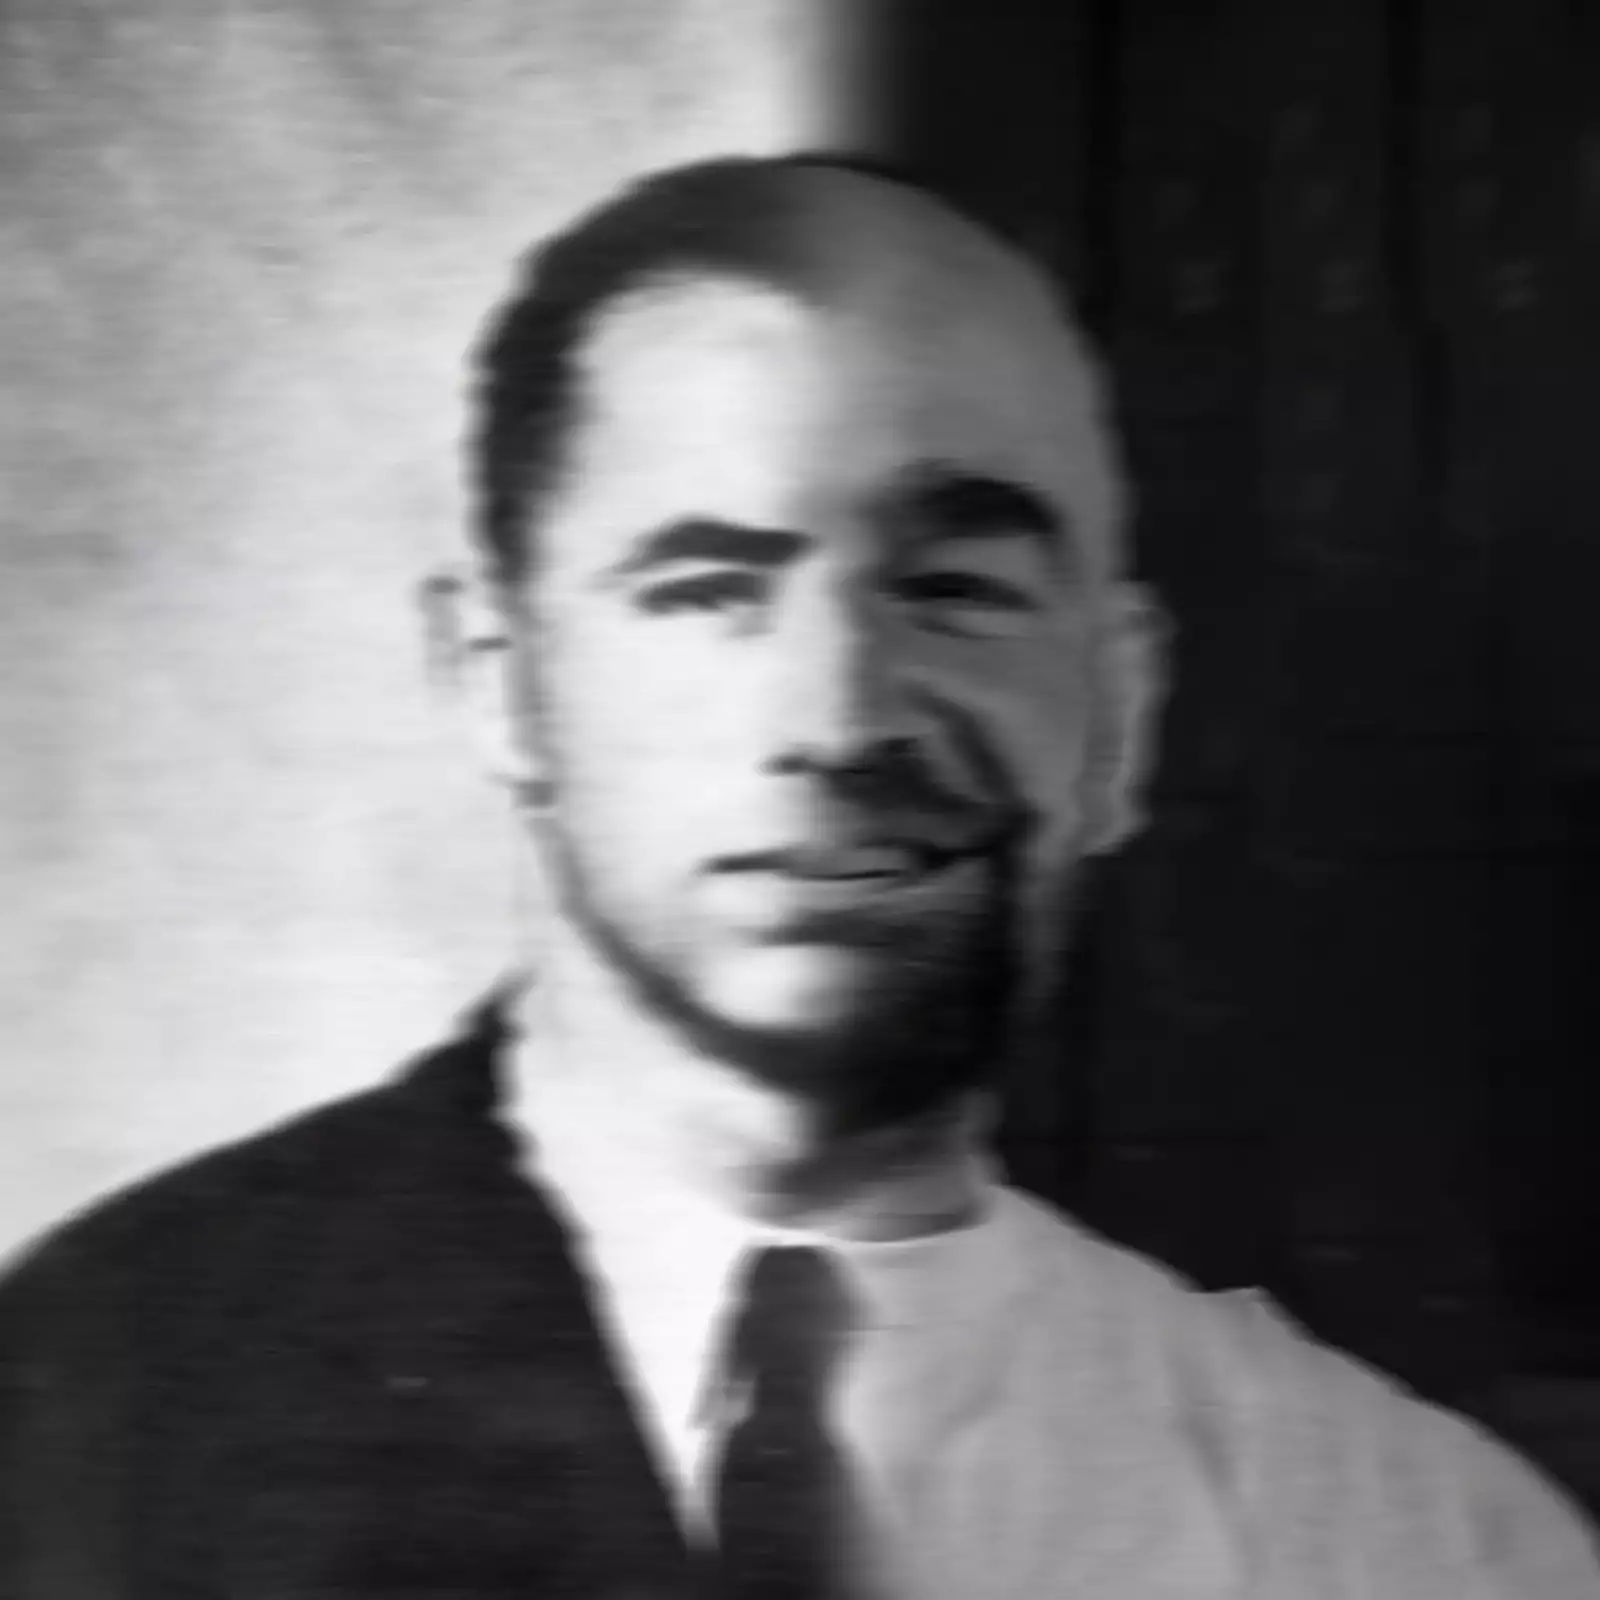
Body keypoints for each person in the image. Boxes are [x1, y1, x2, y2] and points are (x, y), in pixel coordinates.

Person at [0, 156, 1594, 1600]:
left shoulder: (1417, 1541)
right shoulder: (94, 1400)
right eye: (705, 592)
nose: (839, 719)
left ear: (1121, 717)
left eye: (960, 589)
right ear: (498, 678)